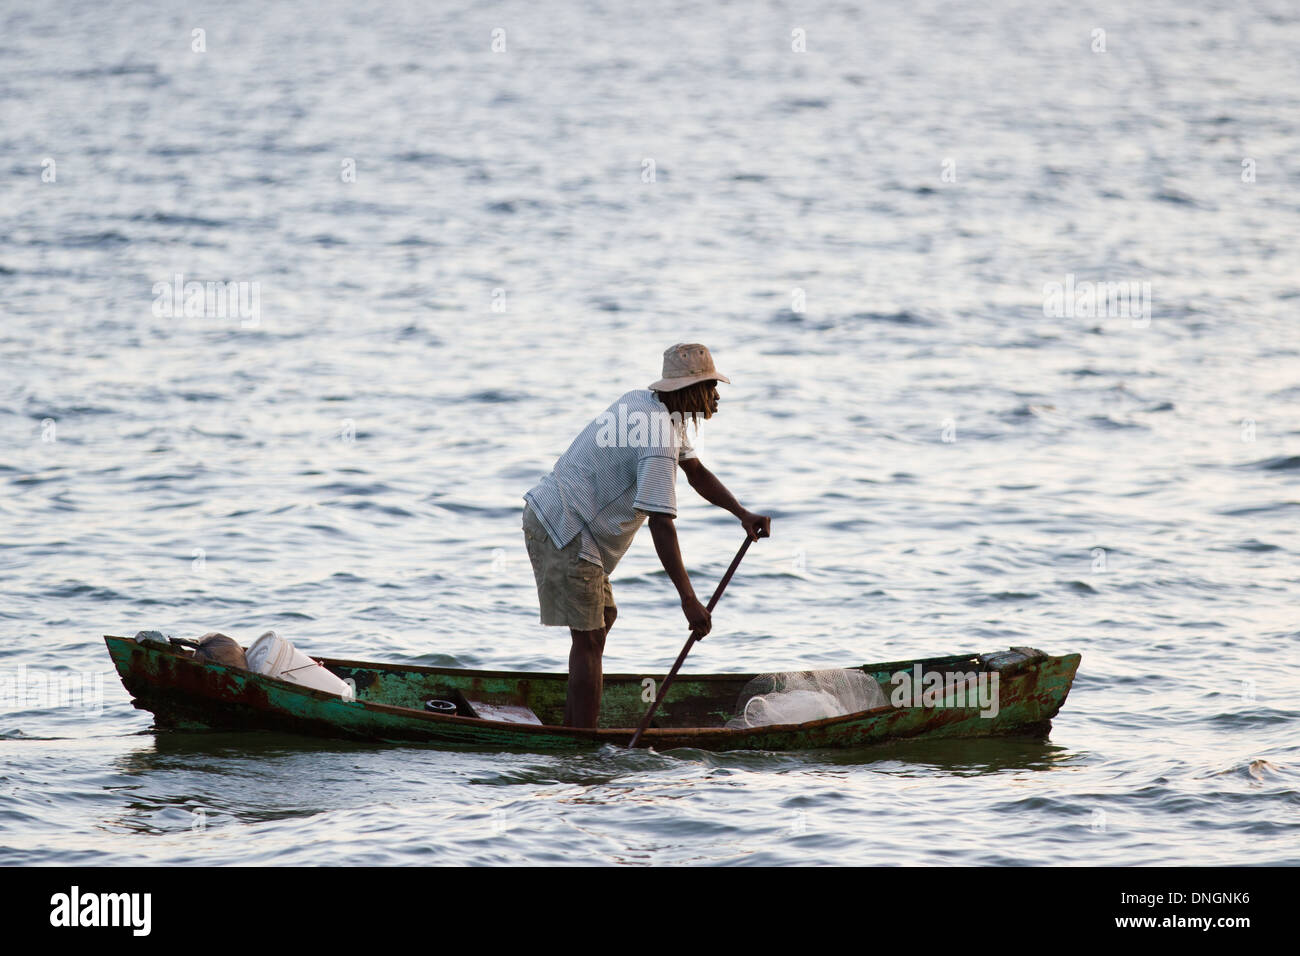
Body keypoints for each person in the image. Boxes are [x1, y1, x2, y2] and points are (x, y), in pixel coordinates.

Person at [522, 343, 772, 728]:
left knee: (599, 625)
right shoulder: (658, 437)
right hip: (566, 528)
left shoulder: (650, 406)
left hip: (560, 520)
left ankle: (576, 731)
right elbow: (661, 523)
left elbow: (695, 472)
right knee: (588, 641)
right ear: (690, 391)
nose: (717, 396)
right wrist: (690, 601)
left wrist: (741, 513)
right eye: (710, 387)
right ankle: (581, 747)